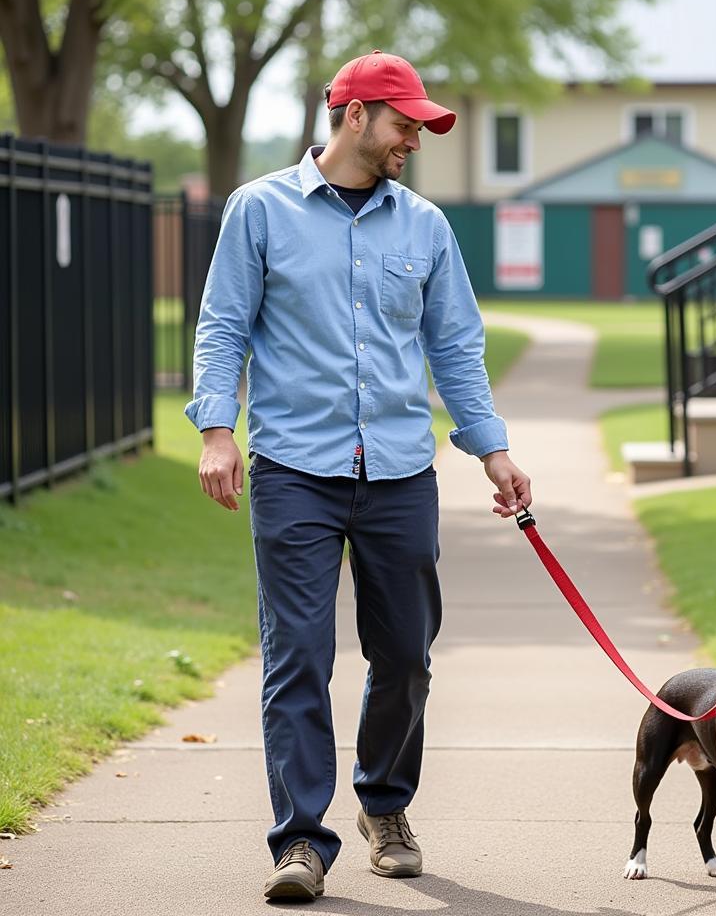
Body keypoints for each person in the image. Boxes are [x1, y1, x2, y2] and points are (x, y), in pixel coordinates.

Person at [184, 49, 532, 902]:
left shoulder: (425, 228)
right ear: (354, 117)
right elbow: (222, 325)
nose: (414, 137)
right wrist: (216, 431)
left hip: (401, 471)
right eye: (404, 121)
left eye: (418, 124)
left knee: (405, 656)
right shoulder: (258, 210)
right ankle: (301, 839)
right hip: (294, 469)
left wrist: (492, 449)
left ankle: (384, 806)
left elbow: (455, 349)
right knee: (297, 655)